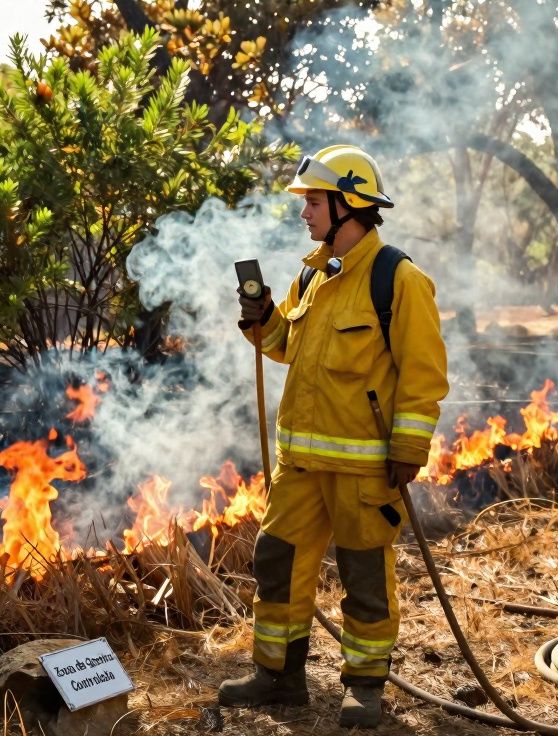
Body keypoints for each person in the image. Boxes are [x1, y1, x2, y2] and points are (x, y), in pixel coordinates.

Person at [219, 145, 449, 729]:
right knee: (277, 563)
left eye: (314, 202)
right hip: (300, 464)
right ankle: (277, 677)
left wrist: (408, 449)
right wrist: (263, 317)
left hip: (364, 469)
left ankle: (366, 687)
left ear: (351, 205)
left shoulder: (398, 279)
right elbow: (285, 349)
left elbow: (424, 377)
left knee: (364, 574)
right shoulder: (313, 275)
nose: (305, 213)